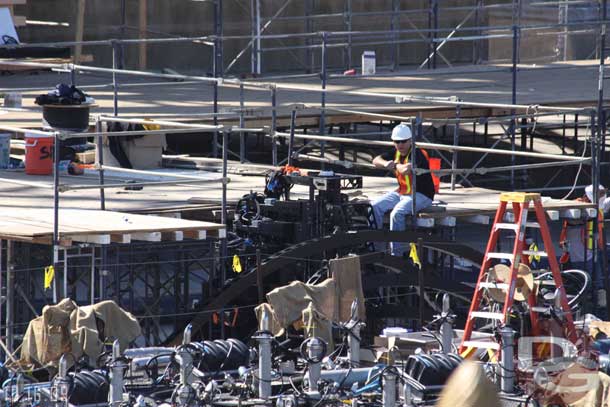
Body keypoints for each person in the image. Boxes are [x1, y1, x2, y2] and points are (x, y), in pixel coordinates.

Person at [371, 123, 435, 256]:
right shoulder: (395, 153)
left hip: (422, 195)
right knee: (374, 206)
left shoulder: (418, 153)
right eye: (397, 142)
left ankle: (397, 254)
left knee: (397, 213)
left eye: (403, 141)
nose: (400, 145)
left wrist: (393, 165)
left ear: (410, 140)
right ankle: (377, 249)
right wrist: (384, 163)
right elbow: (375, 160)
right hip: (402, 192)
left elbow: (406, 170)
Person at [560, 184, 610, 271]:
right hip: (580, 254)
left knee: (596, 278)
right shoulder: (577, 208)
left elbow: (604, 204)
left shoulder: (596, 206)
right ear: (586, 197)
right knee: (584, 278)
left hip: (592, 250)